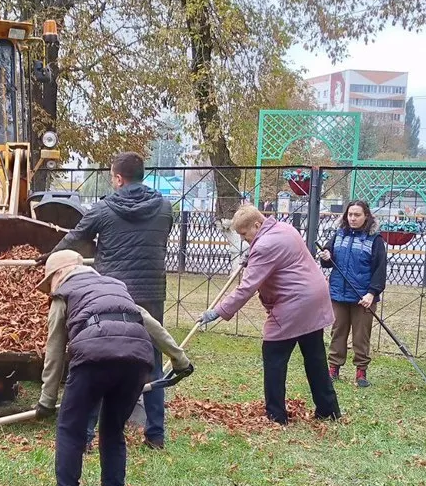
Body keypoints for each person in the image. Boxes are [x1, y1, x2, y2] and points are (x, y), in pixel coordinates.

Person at [27, 250, 192, 486]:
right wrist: (180, 359)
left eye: (50, 282)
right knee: (113, 430)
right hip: (136, 360)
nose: (50, 289)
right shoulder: (115, 287)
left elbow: (55, 350)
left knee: (71, 428)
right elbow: (150, 323)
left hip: (93, 357)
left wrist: (46, 400)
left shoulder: (64, 293)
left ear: (59, 274)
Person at [38, 152, 173, 449]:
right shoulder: (164, 207)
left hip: (110, 293)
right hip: (152, 292)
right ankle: (156, 434)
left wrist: (48, 259)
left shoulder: (105, 209)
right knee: (153, 359)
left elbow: (75, 237)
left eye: (112, 177)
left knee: (101, 354)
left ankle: (85, 436)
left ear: (118, 178)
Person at [197, 204, 341, 425]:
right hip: (313, 299)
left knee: (273, 354)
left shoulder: (265, 245)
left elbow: (246, 288)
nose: (245, 239)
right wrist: (251, 258)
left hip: (294, 303)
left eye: (245, 234)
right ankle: (328, 410)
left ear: (257, 224)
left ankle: (276, 415)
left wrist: (217, 311)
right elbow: (280, 262)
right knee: (314, 357)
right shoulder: (285, 229)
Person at [319, 200, 386, 388]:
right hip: (339, 293)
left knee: (361, 335)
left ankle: (361, 372)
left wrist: (372, 293)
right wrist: (326, 256)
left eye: (357, 215)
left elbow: (380, 270)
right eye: (350, 215)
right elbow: (328, 260)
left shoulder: (375, 239)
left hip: (363, 297)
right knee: (337, 331)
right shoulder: (338, 235)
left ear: (366, 216)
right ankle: (333, 369)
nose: (353, 218)